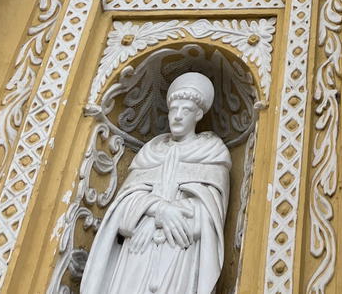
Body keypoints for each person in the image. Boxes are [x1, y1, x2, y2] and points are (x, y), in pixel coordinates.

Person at [81, 72, 230, 294]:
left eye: (186, 110)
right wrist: (159, 210)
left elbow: (212, 212)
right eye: (173, 110)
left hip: (180, 247)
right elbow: (122, 206)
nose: (177, 116)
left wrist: (177, 214)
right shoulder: (150, 152)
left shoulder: (212, 152)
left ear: (198, 114)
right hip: (138, 246)